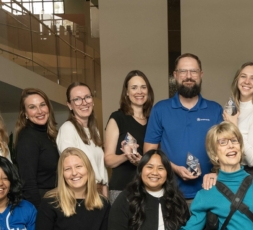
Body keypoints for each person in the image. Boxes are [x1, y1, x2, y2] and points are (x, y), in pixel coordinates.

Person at [144, 53, 223, 199]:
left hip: (209, 194)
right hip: (169, 194)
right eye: (183, 71)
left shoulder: (215, 110)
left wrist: (217, 173)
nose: (188, 76)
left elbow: (225, 151)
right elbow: (149, 153)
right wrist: (174, 169)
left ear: (201, 74)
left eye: (193, 71)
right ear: (175, 75)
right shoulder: (160, 109)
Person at [104, 70, 154, 203]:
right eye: (134, 87)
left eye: (143, 87)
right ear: (126, 92)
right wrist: (126, 156)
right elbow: (108, 160)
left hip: (148, 188)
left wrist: (142, 162)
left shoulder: (154, 120)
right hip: (121, 189)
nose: (139, 91)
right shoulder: (117, 118)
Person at [57, 82, 109, 197]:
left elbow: (101, 167)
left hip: (98, 193)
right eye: (77, 99)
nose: (84, 102)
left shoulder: (94, 130)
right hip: (83, 194)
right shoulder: (68, 129)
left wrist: (105, 194)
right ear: (69, 105)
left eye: (87, 97)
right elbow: (71, 170)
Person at [15, 88, 60, 207]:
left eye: (42, 105)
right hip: (41, 202)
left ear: (48, 108)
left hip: (55, 199)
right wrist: (39, 215)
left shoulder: (51, 135)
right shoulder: (27, 138)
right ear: (25, 113)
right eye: (32, 107)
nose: (39, 111)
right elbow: (28, 184)